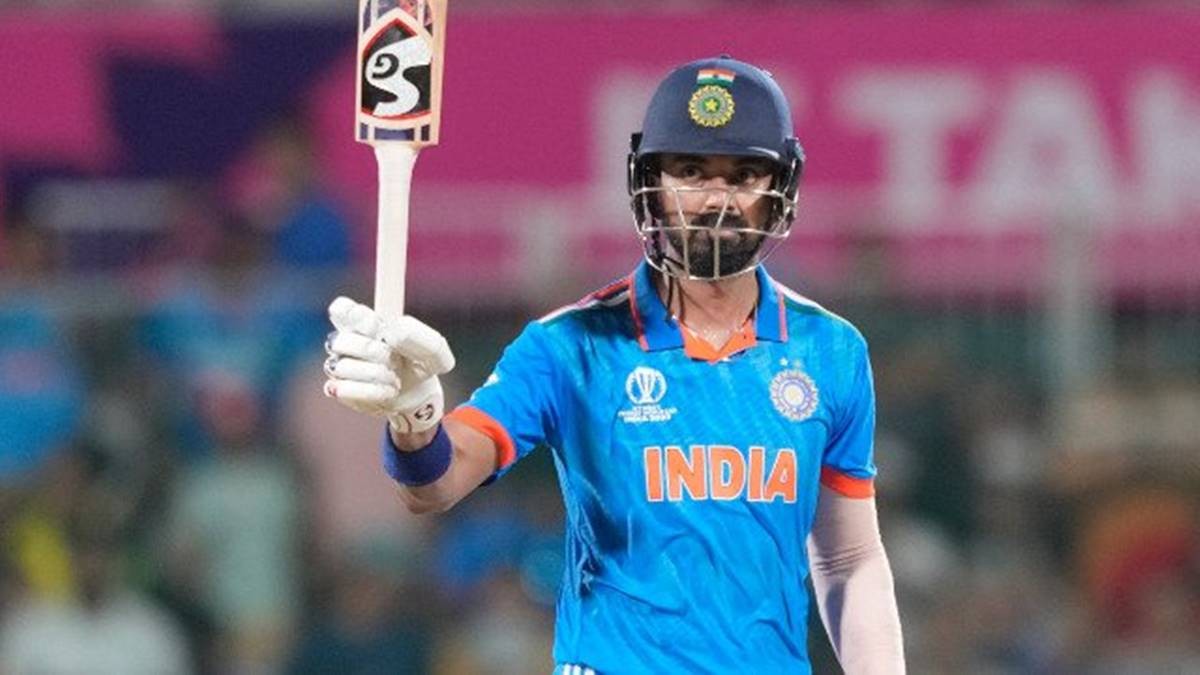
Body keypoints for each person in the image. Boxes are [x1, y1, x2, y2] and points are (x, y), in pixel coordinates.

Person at [324, 56, 905, 674]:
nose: (717, 199)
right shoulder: (570, 345)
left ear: (779, 188)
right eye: (690, 171)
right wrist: (414, 422)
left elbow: (848, 560)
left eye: (743, 175)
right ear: (648, 180)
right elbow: (436, 484)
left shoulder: (830, 351)